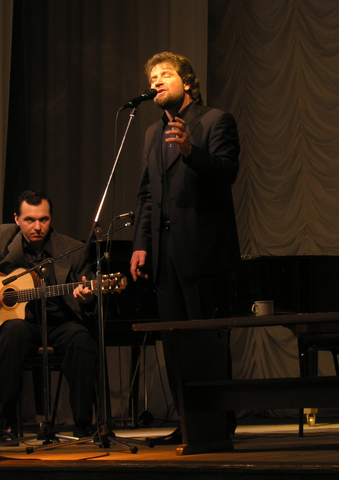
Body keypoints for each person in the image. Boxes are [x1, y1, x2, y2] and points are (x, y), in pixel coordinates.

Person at [130, 52, 240, 444]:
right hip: (165, 256)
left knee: (208, 342)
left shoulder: (215, 121)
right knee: (174, 344)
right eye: (152, 78)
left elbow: (228, 171)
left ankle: (218, 424)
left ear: (188, 82)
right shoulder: (151, 133)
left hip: (204, 252)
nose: (156, 82)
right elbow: (147, 194)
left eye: (165, 75)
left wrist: (192, 152)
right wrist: (141, 244)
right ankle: (190, 423)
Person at [0, 190, 98, 442]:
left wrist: (87, 297)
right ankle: (5, 423)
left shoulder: (72, 249)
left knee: (82, 338)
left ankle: (83, 424)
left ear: (51, 218)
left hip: (59, 322)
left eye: (44, 219)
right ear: (17, 219)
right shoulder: (3, 241)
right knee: (13, 333)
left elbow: (88, 293)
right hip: (21, 325)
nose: (37, 227)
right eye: (29, 220)